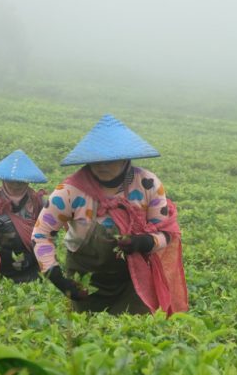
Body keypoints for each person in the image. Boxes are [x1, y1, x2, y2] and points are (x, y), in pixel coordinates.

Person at [31, 114, 188, 315]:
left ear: (125, 158)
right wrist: (57, 277)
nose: (102, 165)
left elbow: (167, 232)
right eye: (96, 159)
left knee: (133, 335)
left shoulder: (147, 184)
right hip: (84, 279)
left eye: (110, 159)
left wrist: (145, 242)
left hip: (134, 279)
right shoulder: (69, 191)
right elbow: (41, 234)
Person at [0, 150, 47, 283]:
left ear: (28, 181)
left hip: (31, 269)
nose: (16, 185)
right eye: (11, 180)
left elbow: (48, 237)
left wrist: (30, 258)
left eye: (20, 181)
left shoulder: (38, 203)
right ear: (3, 179)